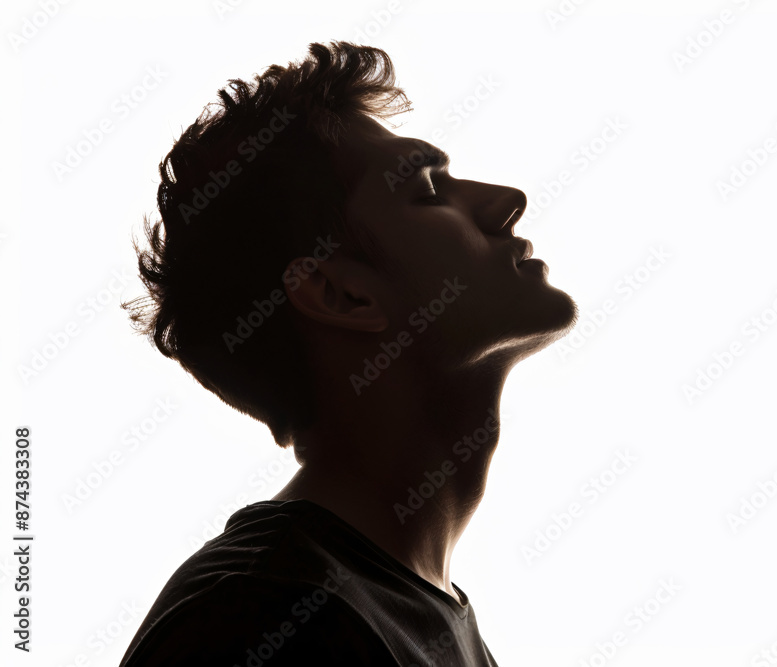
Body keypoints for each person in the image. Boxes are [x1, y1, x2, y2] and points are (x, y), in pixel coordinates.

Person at [118, 40, 578, 666]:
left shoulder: (396, 613)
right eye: (427, 191)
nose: (505, 200)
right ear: (340, 293)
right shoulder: (263, 615)